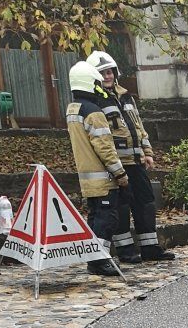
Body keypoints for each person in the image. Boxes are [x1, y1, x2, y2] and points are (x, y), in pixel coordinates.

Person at [87, 49, 175, 263]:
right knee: (121, 208)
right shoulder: (96, 100)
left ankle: (150, 248)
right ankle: (126, 250)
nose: (107, 76)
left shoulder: (126, 96)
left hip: (137, 162)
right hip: (116, 164)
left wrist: (148, 152)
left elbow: (138, 127)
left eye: (110, 72)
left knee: (145, 203)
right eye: (102, 73)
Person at [65, 60, 129, 277]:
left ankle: (95, 259)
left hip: (86, 178)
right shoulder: (94, 112)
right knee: (106, 219)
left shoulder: (73, 109)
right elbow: (105, 147)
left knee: (94, 218)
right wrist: (120, 173)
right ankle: (100, 260)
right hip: (102, 178)